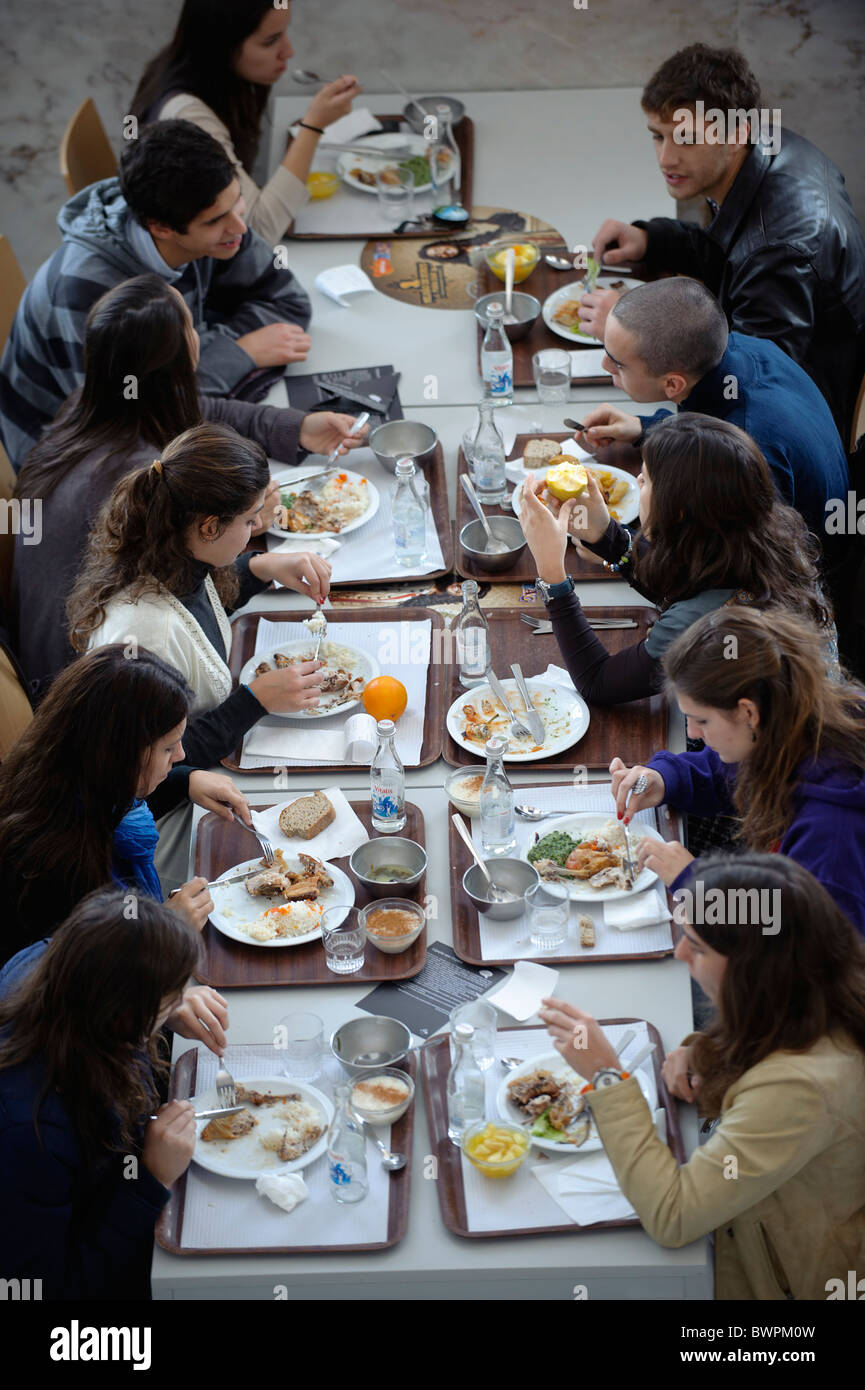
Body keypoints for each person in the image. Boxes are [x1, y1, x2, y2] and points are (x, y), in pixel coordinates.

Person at [12, 275, 367, 699]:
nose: (200, 334)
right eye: (191, 327)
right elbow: (171, 593)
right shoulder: (136, 476)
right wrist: (249, 522)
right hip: (86, 690)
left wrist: (297, 427)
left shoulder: (101, 403)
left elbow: (203, 409)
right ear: (175, 365)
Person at [539, 854, 865, 1300]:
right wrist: (705, 1052)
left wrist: (606, 1074)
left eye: (698, 945)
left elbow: (673, 1216)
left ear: (752, 970)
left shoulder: (802, 1090)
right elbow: (765, 1039)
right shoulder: (813, 990)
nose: (679, 952)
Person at [583, 43, 865, 439]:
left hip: (801, 430)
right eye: (658, 136)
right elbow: (730, 252)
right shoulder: (765, 149)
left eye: (685, 138)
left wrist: (631, 335)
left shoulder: (779, 249)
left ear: (736, 134)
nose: (666, 158)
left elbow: (747, 393)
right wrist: (652, 239)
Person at [0, 120, 312, 470]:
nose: (240, 227)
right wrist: (239, 353)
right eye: (215, 220)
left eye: (237, 200)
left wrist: (199, 356)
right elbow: (131, 422)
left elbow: (288, 300)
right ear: (161, 227)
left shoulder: (213, 216)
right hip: (69, 466)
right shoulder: (85, 295)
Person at [0, 889, 226, 1300]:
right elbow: (47, 1288)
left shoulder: (53, 964)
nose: (179, 1000)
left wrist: (164, 997)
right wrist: (148, 1178)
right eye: (169, 996)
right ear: (122, 1018)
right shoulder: (32, 1131)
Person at [519, 412, 834, 706]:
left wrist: (552, 575)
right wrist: (606, 534)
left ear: (679, 509)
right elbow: (683, 586)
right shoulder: (762, 538)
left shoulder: (707, 623)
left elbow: (598, 682)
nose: (638, 483)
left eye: (646, 480)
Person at [67, 423, 330, 770]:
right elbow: (155, 765)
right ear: (209, 527)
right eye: (251, 522)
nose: (254, 531)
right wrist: (255, 702)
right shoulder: (149, 635)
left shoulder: (169, 552)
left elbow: (197, 611)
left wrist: (260, 567)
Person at [609, 606, 865, 934]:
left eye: (701, 720)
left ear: (748, 712)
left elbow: (799, 942)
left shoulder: (832, 834)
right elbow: (725, 771)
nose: (691, 734)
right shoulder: (789, 725)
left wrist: (699, 886)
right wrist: (664, 779)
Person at [0, 645, 252, 967]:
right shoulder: (59, 865)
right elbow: (85, 981)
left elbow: (122, 808)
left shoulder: (75, 783)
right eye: (167, 749)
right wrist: (160, 932)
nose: (181, 757)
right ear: (120, 756)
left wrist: (184, 781)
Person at [569, 277, 849, 548]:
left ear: (672, 384)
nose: (605, 365)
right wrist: (649, 427)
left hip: (804, 573)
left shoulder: (743, 452)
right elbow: (715, 419)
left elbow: (724, 572)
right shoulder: (734, 347)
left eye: (617, 363)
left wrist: (613, 545)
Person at [132, 0, 360, 244]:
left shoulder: (192, 69)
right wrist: (313, 126)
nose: (288, 51)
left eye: (284, 33)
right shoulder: (189, 118)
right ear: (222, 46)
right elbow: (258, 232)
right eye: (270, 41)